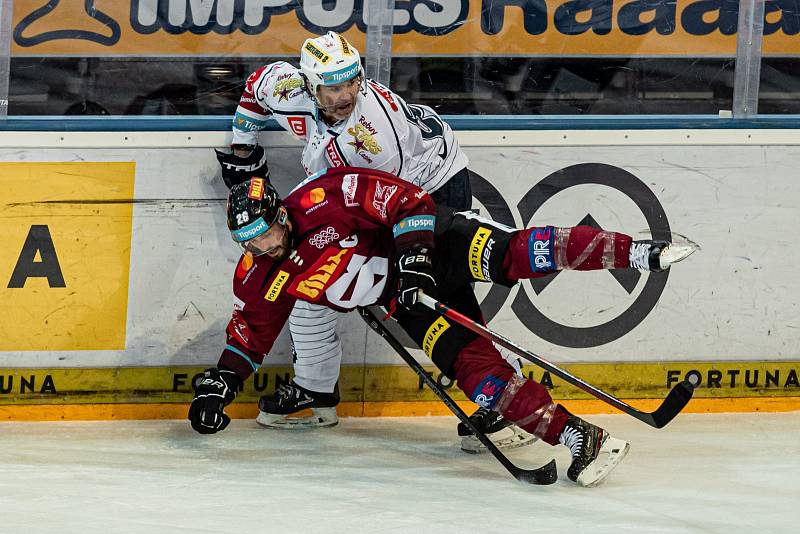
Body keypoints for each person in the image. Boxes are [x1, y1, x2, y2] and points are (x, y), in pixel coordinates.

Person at [188, 167, 696, 487]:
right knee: (478, 375)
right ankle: (581, 438)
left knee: (516, 255)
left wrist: (412, 260)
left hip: (436, 247)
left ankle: (638, 251)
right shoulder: (261, 274)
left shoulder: (326, 197)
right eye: (249, 243)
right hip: (406, 301)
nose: (262, 248)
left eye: (266, 234)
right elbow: (251, 334)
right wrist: (221, 386)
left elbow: (407, 201)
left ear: (280, 213)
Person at [215, 30, 527, 452]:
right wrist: (243, 151)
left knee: (440, 297)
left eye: (351, 82)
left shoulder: (371, 138)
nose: (345, 95)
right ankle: (316, 392)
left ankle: (508, 394)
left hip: (427, 187)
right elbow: (254, 92)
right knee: (306, 287)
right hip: (370, 192)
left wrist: (374, 270)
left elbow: (389, 204)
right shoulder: (287, 89)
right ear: (309, 86)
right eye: (332, 87)